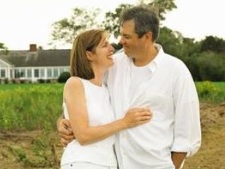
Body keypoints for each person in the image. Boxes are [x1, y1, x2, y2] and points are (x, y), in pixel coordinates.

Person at [57, 5, 201, 169]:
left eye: (127, 36)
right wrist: (63, 121)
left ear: (147, 36)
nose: (120, 41)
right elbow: (86, 96)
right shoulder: (113, 65)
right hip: (114, 164)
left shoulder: (176, 71)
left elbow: (187, 133)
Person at [60, 29, 152, 169]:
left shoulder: (106, 89)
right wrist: (125, 122)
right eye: (104, 45)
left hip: (108, 163)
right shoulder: (75, 83)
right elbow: (83, 135)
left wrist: (61, 121)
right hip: (83, 162)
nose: (111, 49)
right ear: (89, 54)